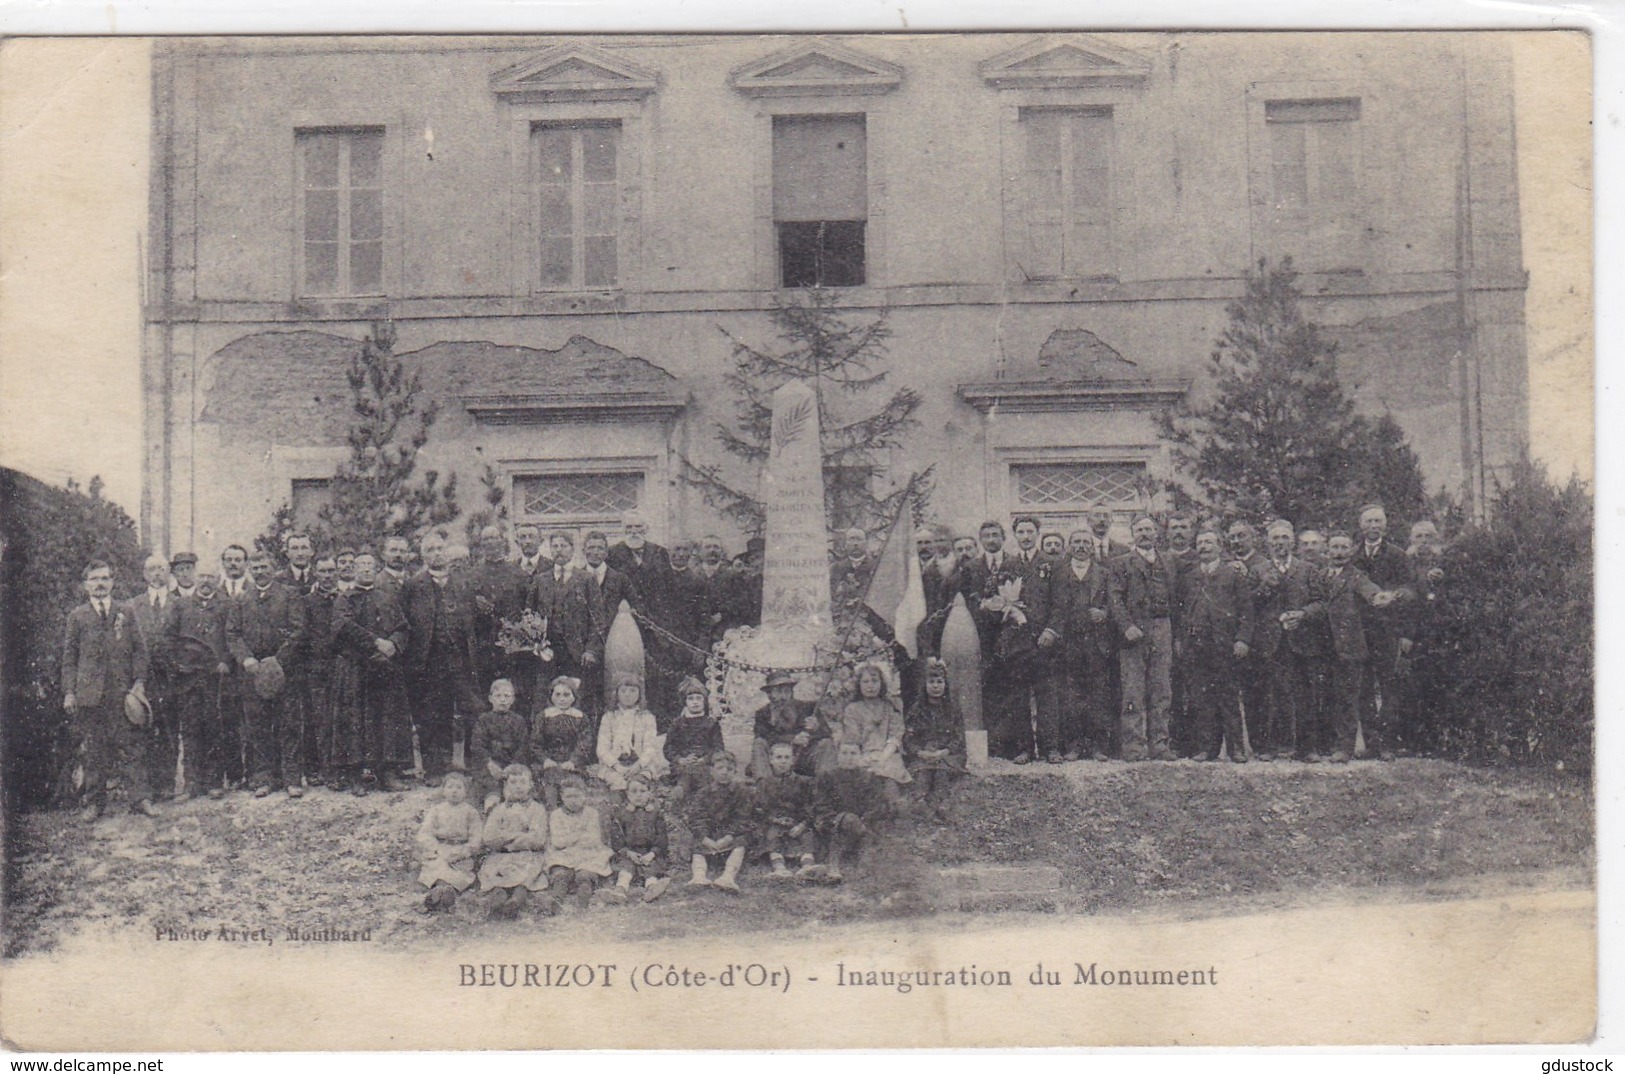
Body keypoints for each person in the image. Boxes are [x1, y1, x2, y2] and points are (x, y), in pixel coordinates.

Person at [61, 560, 152, 820]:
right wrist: (69, 692)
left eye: (104, 578)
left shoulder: (126, 611)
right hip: (90, 696)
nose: (100, 584)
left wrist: (139, 682)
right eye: (94, 579)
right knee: (94, 751)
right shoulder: (77, 616)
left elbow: (140, 651)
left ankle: (140, 799)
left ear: (113, 582)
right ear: (85, 584)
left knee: (132, 747)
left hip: (122, 693)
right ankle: (95, 803)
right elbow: (69, 658)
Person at [1296, 532, 1397, 762]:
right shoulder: (1321, 576)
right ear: (1327, 551)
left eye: (1344, 548)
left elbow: (1369, 589)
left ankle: (1346, 748)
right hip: (1325, 647)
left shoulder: (1356, 576)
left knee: (1349, 698)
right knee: (1331, 696)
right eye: (1335, 548)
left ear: (1351, 551)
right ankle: (1332, 744)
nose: (1339, 553)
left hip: (1350, 647)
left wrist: (1377, 596)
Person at [401, 529, 482, 784]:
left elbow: (473, 618)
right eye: (431, 550)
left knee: (471, 709)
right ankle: (436, 768)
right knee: (433, 713)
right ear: (424, 556)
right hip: (429, 660)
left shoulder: (462, 582)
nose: (437, 554)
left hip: (460, 658)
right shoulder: (414, 585)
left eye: (440, 549)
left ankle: (472, 762)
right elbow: (405, 622)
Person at [330, 550, 412, 795]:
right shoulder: (344, 599)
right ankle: (355, 774)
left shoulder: (387, 597)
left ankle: (387, 771)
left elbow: (402, 628)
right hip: (355, 668)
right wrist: (377, 643)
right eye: (360, 565)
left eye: (369, 565)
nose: (365, 569)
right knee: (355, 720)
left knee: (386, 718)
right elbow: (345, 629)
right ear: (352, 571)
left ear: (376, 569)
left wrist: (394, 645)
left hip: (385, 669)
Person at [226, 550, 306, 798]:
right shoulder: (241, 599)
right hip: (252, 673)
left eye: (264, 567)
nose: (260, 572)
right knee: (257, 726)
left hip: (284, 670)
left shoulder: (289, 594)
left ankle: (291, 778)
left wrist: (278, 659)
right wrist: (246, 658)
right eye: (256, 567)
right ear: (250, 569)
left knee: (288, 724)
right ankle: (264, 778)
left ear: (274, 568)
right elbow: (232, 633)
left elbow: (299, 630)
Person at [1033, 530, 1114, 762]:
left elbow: (1115, 603)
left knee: (1097, 695)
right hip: (1067, 642)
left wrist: (1104, 613)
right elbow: (1049, 604)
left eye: (1085, 543)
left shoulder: (1104, 573)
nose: (1081, 546)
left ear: (1091, 547)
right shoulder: (1057, 572)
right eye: (1076, 542)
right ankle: (1074, 745)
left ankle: (1098, 746)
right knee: (1070, 695)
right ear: (1069, 546)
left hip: (1096, 642)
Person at [1178, 530, 1255, 763]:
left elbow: (1246, 610)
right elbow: (1182, 611)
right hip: (1197, 645)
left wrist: (1242, 639)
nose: (1204, 547)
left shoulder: (1232, 574)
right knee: (1202, 699)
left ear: (1220, 547)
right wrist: (1181, 640)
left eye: (1209, 542)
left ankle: (1236, 749)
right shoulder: (1190, 575)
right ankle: (1207, 748)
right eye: (1200, 542)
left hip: (1225, 645)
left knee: (1229, 698)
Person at [1108, 515, 1180, 762]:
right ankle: (1134, 745)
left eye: (1149, 529)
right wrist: (1126, 625)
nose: (1145, 534)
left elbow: (1176, 599)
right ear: (1132, 534)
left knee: (1162, 688)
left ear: (1157, 533)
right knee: (1133, 689)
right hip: (1134, 632)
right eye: (1139, 529)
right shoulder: (1120, 563)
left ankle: (1160, 743)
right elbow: (1115, 599)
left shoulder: (1169, 561)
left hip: (1162, 627)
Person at [1250, 520, 1320, 761]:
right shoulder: (1259, 570)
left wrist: (1302, 615)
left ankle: (1306, 748)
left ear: (1292, 542)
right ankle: (1268, 747)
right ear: (1268, 543)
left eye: (1284, 538)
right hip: (1269, 641)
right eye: (1275, 539)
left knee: (1304, 694)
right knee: (1268, 694)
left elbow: (1321, 603)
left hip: (1300, 640)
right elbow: (1248, 604)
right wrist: (1264, 587)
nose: (1280, 543)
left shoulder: (1308, 569)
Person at [1353, 504, 1417, 758]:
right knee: (1364, 689)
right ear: (1361, 526)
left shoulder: (1398, 555)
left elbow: (1411, 591)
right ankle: (1371, 743)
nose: (1373, 526)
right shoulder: (1353, 555)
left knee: (1390, 689)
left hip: (1389, 631)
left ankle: (1387, 743)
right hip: (1360, 632)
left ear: (1385, 525)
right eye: (1368, 521)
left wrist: (1395, 596)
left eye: (1378, 521)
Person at [166, 554, 231, 799]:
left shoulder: (226, 606)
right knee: (190, 728)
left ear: (218, 579)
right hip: (188, 679)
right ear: (195, 577)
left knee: (214, 727)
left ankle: (214, 782)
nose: (205, 581)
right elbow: (168, 639)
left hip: (215, 678)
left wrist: (224, 661)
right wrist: (177, 665)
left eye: (211, 577)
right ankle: (192, 783)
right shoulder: (181, 606)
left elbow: (231, 637)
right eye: (202, 576)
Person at [562, 531, 634, 716]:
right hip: (583, 648)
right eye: (591, 547)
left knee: (610, 692)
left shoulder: (619, 579)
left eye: (600, 548)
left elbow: (637, 605)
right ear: (584, 550)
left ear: (606, 552)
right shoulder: (574, 577)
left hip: (613, 643)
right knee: (584, 694)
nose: (595, 552)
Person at [132, 554, 180, 798]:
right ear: (144, 574)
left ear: (168, 572)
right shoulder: (133, 605)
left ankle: (167, 782)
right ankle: (147, 785)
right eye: (151, 569)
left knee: (170, 727)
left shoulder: (179, 602)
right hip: (143, 677)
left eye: (161, 569)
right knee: (144, 728)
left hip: (172, 677)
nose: (157, 574)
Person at [813, 739, 892, 885]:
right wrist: (835, 818)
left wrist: (864, 821)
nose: (849, 757)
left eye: (853, 753)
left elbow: (876, 805)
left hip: (862, 823)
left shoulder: (869, 777)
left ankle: (862, 867)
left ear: (861, 755)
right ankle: (834, 865)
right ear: (838, 755)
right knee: (848, 820)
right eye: (844, 753)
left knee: (864, 830)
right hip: (834, 822)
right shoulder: (828, 776)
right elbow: (821, 803)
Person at [478, 764, 551, 920]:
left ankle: (516, 901)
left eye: (523, 782)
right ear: (506, 785)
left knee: (524, 879)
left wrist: (507, 839)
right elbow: (489, 837)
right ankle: (498, 901)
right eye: (513, 783)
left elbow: (537, 839)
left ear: (531, 785)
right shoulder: (499, 809)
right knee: (497, 878)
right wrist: (516, 836)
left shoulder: (537, 809)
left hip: (527, 855)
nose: (518, 787)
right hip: (500, 856)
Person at [300, 554, 345, 790]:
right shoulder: (307, 602)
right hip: (317, 669)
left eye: (331, 571)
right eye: (323, 572)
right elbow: (303, 637)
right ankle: (324, 770)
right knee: (320, 720)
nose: (327, 576)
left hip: (342, 667)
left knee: (342, 718)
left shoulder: (344, 599)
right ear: (315, 574)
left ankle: (342, 768)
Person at [903, 658, 966, 817]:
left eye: (940, 681)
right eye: (931, 682)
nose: (936, 686)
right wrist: (919, 752)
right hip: (924, 754)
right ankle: (920, 800)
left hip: (947, 754)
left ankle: (942, 801)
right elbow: (909, 738)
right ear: (924, 685)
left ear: (945, 684)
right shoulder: (916, 710)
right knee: (923, 771)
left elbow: (958, 737)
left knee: (941, 772)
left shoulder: (952, 709)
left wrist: (945, 751)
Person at [684, 750, 754, 892]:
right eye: (720, 768)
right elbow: (697, 818)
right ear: (711, 771)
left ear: (735, 771)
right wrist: (705, 839)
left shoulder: (742, 792)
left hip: (730, 836)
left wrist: (728, 837)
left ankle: (728, 877)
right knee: (696, 842)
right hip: (709, 836)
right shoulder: (703, 793)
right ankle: (699, 876)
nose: (724, 772)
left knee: (742, 840)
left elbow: (743, 818)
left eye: (729, 769)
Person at [417, 772, 483, 914]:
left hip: (460, 851)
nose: (454, 791)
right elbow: (424, 833)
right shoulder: (436, 810)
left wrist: (464, 852)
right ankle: (440, 893)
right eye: (450, 787)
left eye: (459, 787)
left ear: (466, 791)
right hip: (440, 849)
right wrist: (436, 848)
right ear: (443, 790)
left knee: (456, 872)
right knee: (438, 867)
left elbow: (476, 837)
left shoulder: (470, 812)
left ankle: (444, 895)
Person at [544, 773, 614, 909]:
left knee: (585, 874)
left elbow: (593, 839)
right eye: (568, 796)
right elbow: (558, 841)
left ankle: (584, 895)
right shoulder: (556, 815)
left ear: (584, 796)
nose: (573, 800)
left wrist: (570, 837)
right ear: (562, 798)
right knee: (561, 874)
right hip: (564, 854)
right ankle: (556, 900)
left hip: (587, 852)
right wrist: (580, 835)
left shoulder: (591, 813)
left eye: (576, 796)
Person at [838, 662, 910, 788]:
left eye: (874, 681)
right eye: (865, 682)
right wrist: (863, 759)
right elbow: (853, 739)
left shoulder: (891, 706)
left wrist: (882, 758)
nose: (870, 686)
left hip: (887, 755)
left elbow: (895, 736)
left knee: (889, 783)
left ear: (881, 683)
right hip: (861, 757)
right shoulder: (852, 709)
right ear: (858, 684)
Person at [591, 673, 668, 790]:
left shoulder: (647, 717)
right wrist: (617, 766)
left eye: (632, 691)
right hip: (614, 764)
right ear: (617, 694)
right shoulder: (609, 717)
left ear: (639, 694)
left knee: (638, 785)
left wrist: (638, 766)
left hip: (639, 764)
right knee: (618, 783)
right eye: (623, 691)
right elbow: (602, 748)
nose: (627, 695)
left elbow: (650, 747)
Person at [749, 671, 832, 779]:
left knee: (827, 744)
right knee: (758, 744)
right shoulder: (763, 713)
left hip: (803, 758)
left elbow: (827, 733)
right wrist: (792, 739)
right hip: (775, 760)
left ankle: (825, 788)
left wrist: (817, 728)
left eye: (787, 691)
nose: (784, 696)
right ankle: (765, 787)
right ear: (769, 695)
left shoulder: (809, 708)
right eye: (778, 692)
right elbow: (763, 736)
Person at [753, 741, 818, 880]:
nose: (783, 762)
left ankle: (807, 866)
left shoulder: (804, 782)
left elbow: (811, 806)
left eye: (786, 757)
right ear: (771, 760)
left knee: (807, 834)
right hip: (774, 823)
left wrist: (802, 824)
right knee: (771, 834)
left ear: (793, 760)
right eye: (779, 757)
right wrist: (775, 819)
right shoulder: (764, 783)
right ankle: (779, 868)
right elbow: (760, 809)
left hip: (798, 822)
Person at [607, 774, 674, 903]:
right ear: (627, 793)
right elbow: (617, 840)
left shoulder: (655, 814)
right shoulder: (621, 814)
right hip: (628, 852)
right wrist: (628, 852)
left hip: (649, 852)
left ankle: (652, 889)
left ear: (650, 793)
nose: (638, 795)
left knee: (651, 868)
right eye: (634, 791)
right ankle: (620, 891)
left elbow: (661, 839)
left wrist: (652, 854)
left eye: (643, 791)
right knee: (626, 868)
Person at [528, 675, 592, 807]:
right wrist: (545, 759)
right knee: (550, 783)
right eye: (557, 695)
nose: (562, 699)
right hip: (549, 762)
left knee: (572, 784)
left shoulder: (580, 717)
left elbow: (584, 743)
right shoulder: (544, 716)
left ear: (574, 696)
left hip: (572, 763)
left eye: (566, 695)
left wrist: (573, 761)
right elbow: (535, 742)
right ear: (551, 696)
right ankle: (553, 813)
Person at [469, 679, 530, 812]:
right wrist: (490, 764)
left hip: (512, 764)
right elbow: (478, 745)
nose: (503, 700)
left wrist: (513, 766)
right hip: (490, 764)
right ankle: (492, 805)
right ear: (490, 698)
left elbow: (523, 745)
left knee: (518, 780)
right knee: (487, 783)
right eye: (498, 696)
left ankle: (513, 805)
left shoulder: (518, 720)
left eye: (507, 696)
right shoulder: (483, 720)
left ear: (513, 699)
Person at [664, 676, 723, 797]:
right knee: (684, 774)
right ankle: (680, 792)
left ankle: (701, 798)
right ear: (685, 702)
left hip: (705, 763)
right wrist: (680, 759)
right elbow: (668, 747)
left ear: (704, 701)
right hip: (682, 763)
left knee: (703, 776)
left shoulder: (711, 723)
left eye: (698, 698)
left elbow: (718, 747)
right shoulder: (678, 723)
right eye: (690, 699)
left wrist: (704, 759)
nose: (695, 702)